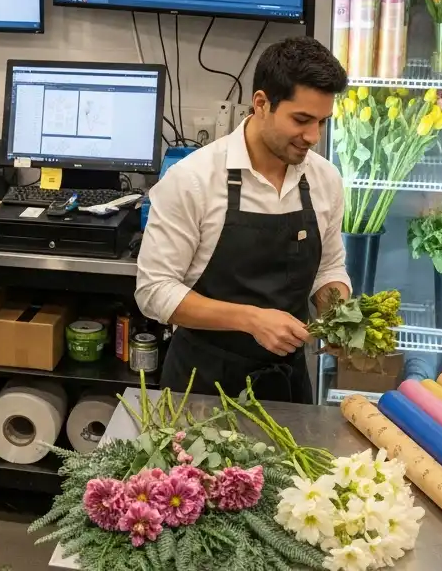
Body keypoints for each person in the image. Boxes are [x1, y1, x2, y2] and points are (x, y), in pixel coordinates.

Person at [135, 36, 351, 404]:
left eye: (322, 122)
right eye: (301, 119)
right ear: (262, 103)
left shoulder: (324, 179)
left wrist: (340, 316)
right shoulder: (193, 180)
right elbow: (154, 292)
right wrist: (252, 319)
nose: (313, 137)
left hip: (287, 387)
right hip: (201, 386)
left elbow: (328, 267)